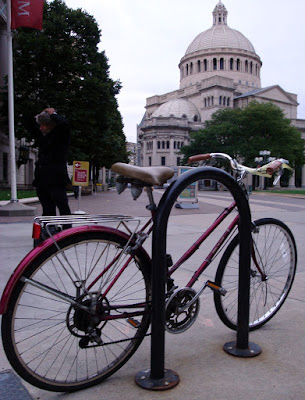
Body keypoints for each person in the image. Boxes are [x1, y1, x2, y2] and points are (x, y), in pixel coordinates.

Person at [33, 107, 72, 217]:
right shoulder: (42, 138)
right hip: (42, 179)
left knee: (62, 206)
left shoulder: (61, 137)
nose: (40, 128)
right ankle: (49, 230)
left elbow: (64, 125)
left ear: (51, 125)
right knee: (47, 208)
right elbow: (31, 125)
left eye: (43, 125)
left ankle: (66, 230)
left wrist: (53, 114)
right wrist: (39, 115)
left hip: (56, 179)